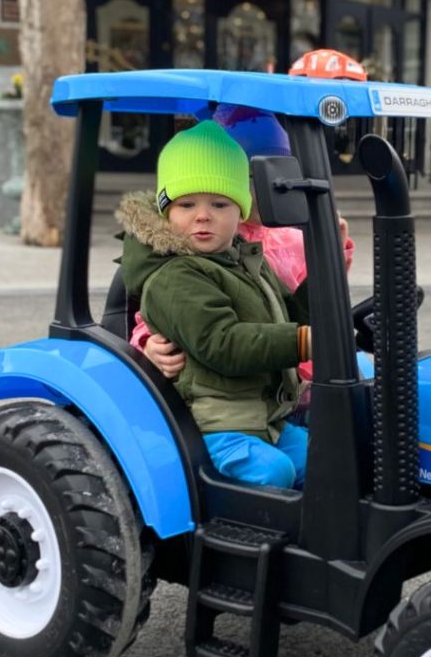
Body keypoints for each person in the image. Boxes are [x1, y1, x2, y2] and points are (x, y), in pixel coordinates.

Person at [116, 120, 311, 489]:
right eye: (187, 203)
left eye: (219, 203)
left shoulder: (246, 261)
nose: (203, 215)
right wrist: (301, 340)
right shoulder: (175, 276)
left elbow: (286, 315)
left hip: (263, 417)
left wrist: (321, 283)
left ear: (241, 211)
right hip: (214, 424)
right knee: (275, 473)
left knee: (330, 459)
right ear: (166, 213)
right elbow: (221, 343)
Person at [131, 105, 354, 378]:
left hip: (293, 371)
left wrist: (330, 260)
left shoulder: (284, 243)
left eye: (286, 176)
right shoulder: (188, 255)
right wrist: (147, 344)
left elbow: (297, 310)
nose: (280, 187)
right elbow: (170, 314)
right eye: (266, 178)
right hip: (233, 388)